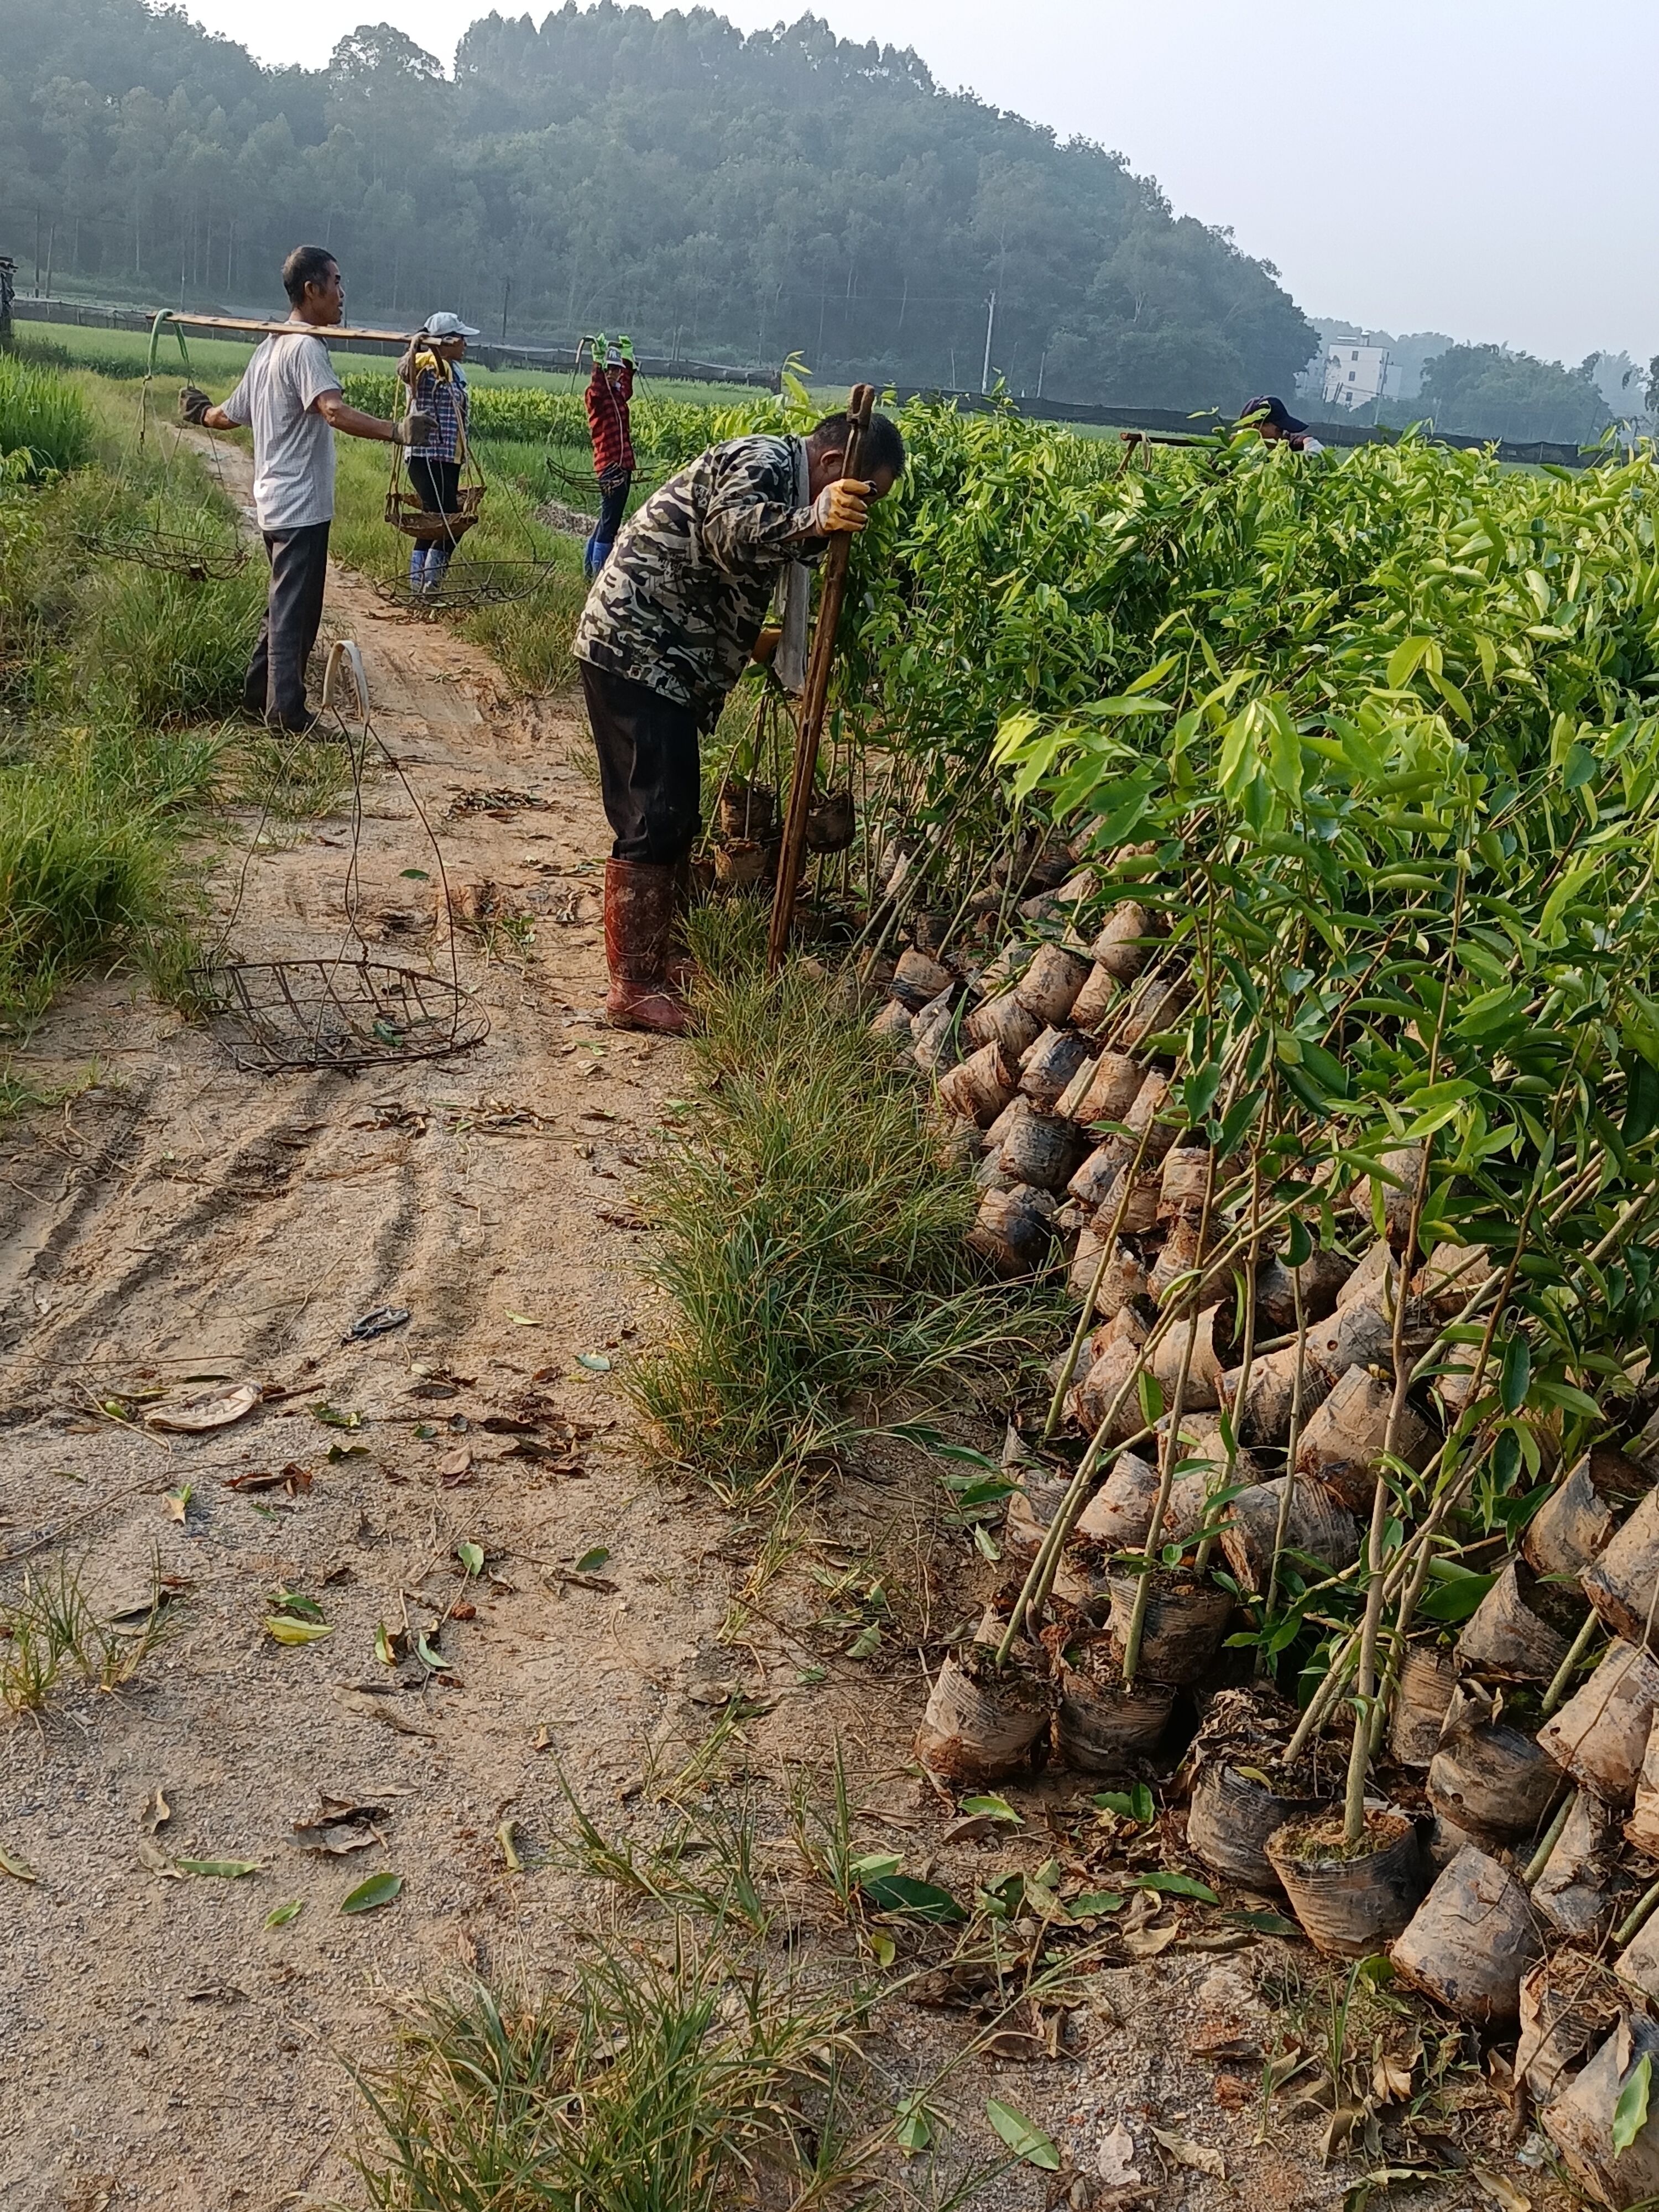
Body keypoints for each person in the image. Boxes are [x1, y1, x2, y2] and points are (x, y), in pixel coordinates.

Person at [574, 406, 906, 1032]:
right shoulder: (765, 462)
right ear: (834, 466)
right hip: (638, 649)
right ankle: (634, 986)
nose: (864, 509)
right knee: (654, 816)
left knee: (675, 815)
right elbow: (732, 532)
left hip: (664, 658)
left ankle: (657, 961)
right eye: (865, 493)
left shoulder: (784, 476)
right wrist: (814, 517)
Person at [179, 245, 433, 733]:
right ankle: (287, 714)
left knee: (282, 604)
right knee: (297, 614)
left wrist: (199, 412)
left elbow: (229, 415)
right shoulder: (305, 348)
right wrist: (398, 431)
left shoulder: (270, 346)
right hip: (300, 507)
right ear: (311, 290)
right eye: (336, 283)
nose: (342, 295)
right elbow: (333, 411)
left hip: (273, 503)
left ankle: (259, 696)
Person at [397, 310, 478, 594]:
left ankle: (422, 582)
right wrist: (426, 348)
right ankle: (428, 583)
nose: (465, 344)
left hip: (449, 457)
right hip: (425, 456)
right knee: (445, 518)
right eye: (461, 339)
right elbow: (404, 370)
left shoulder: (456, 371)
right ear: (447, 341)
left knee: (437, 518)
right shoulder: (423, 365)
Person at [583, 336, 636, 580]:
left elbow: (627, 385)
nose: (615, 374)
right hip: (609, 465)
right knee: (610, 522)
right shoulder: (597, 396)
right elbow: (597, 387)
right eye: (610, 369)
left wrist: (628, 358)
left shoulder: (618, 394)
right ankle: (598, 574)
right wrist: (597, 363)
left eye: (617, 370)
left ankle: (589, 570)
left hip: (624, 464)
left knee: (607, 518)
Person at [1242, 395, 1324, 454]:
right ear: (1256, 428)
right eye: (1279, 430)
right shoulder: (1235, 458)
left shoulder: (1276, 443)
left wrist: (1308, 442)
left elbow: (1289, 439)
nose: (1281, 438)